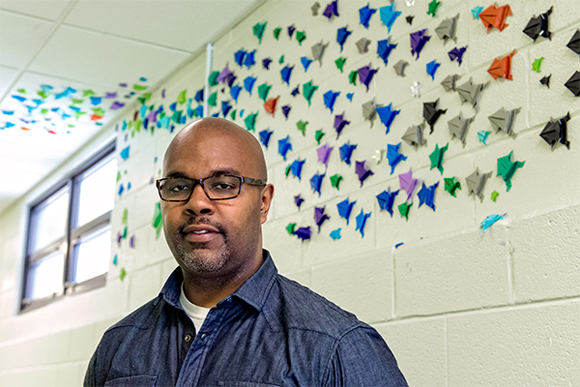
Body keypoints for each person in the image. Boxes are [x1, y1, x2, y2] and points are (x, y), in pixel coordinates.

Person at [84, 117, 408, 387]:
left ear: (263, 202)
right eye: (179, 186)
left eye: (224, 184)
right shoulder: (117, 345)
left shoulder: (336, 346)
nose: (197, 202)